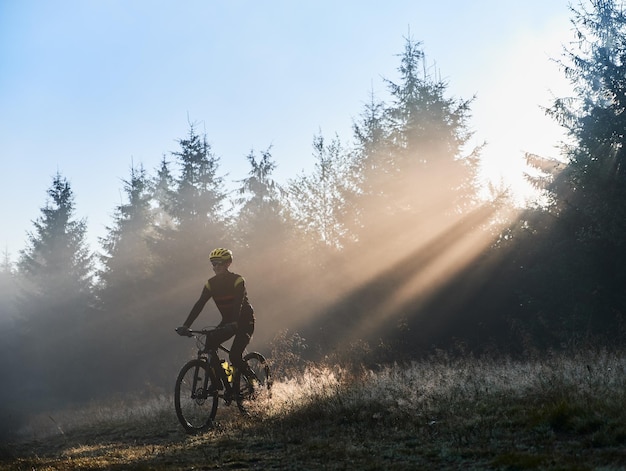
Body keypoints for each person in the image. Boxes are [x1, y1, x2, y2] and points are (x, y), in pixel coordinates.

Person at [176, 248, 255, 393]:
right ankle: (218, 381)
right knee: (210, 344)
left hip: (244, 321)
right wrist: (186, 325)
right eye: (213, 264)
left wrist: (234, 323)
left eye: (218, 263)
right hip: (228, 321)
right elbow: (199, 304)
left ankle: (253, 382)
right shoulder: (210, 284)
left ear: (227, 263)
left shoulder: (238, 280)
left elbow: (238, 303)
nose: (215, 267)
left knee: (235, 356)